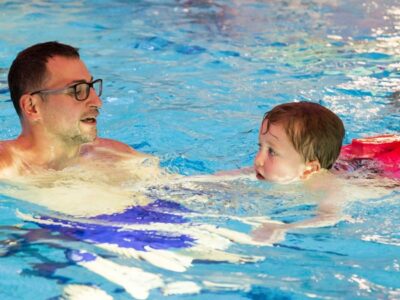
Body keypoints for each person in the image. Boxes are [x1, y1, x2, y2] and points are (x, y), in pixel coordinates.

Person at [0, 41, 151, 180]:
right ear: (32, 107)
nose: (97, 102)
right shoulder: (6, 168)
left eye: (91, 87)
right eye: (77, 90)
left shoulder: (119, 158)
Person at [254, 101, 345, 183]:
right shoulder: (264, 170)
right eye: (260, 146)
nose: (258, 161)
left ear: (308, 170)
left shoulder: (329, 191)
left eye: (272, 152)